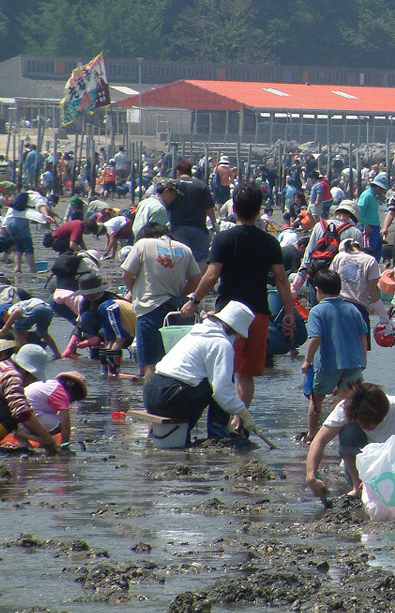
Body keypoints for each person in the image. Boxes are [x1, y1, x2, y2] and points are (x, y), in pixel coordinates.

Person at [181, 182, 296, 409]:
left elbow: (212, 274)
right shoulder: (270, 242)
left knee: (223, 370)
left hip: (227, 315)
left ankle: (223, 421)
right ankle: (239, 420)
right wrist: (290, 313)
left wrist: (193, 300)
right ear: (258, 210)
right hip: (257, 314)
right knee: (246, 374)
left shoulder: (224, 239)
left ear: (234, 209)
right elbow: (282, 280)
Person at [142, 301, 261, 440]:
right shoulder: (221, 343)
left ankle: (219, 429)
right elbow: (222, 391)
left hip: (151, 392)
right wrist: (244, 415)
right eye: (240, 334)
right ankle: (218, 434)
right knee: (220, 383)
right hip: (169, 399)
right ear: (234, 329)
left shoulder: (198, 332)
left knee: (216, 378)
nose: (239, 338)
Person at [304, 383, 395, 503]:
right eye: (362, 422)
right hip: (359, 469)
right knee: (348, 429)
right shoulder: (348, 407)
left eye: (370, 424)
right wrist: (311, 476)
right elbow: (319, 440)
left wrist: (377, 480)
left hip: (392, 474)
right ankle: (357, 488)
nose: (367, 427)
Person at [121, 223, 201, 379]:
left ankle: (151, 399)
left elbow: (126, 275)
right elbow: (196, 279)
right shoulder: (184, 249)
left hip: (149, 308)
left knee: (150, 362)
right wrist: (180, 295)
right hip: (177, 310)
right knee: (175, 360)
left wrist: (135, 290)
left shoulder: (142, 244)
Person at [302, 268, 368, 439]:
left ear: (318, 290)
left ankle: (311, 435)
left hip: (328, 364)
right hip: (354, 362)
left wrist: (307, 360)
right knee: (351, 400)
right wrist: (363, 359)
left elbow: (315, 338)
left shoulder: (317, 311)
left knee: (316, 399)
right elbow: (363, 336)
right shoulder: (353, 308)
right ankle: (348, 435)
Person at [0, 338, 58, 452]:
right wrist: (47, 438)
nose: (31, 382)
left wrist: (28, 444)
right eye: (33, 378)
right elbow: (21, 412)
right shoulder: (12, 375)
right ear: (27, 371)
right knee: (14, 411)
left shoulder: (3, 366)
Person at [18, 368, 87, 445]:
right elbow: (65, 423)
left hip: (17, 413)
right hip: (27, 417)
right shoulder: (61, 393)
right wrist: (65, 443)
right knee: (60, 425)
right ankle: (44, 441)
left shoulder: (50, 385)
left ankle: (24, 440)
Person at [168, 159, 216, 267]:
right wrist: (215, 224)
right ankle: (199, 282)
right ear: (190, 171)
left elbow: (166, 204)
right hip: (198, 227)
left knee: (180, 258)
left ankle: (184, 282)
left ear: (178, 172)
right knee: (202, 257)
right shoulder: (201, 185)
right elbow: (209, 208)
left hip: (178, 227)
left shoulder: (173, 185)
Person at [357, 172, 390, 260]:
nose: (383, 191)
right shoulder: (367, 195)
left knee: (377, 252)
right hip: (368, 228)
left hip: (375, 228)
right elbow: (359, 210)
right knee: (368, 253)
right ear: (377, 187)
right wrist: (365, 224)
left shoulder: (373, 196)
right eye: (382, 189)